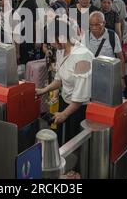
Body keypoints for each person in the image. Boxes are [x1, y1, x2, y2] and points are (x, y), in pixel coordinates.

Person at [36, 17, 93, 145]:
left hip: (79, 110)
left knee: (75, 144)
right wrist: (43, 90)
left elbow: (80, 97)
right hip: (65, 102)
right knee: (62, 140)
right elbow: (59, 79)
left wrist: (64, 114)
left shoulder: (82, 56)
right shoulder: (61, 51)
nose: (50, 45)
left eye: (51, 40)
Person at [85, 11, 125, 90]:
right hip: (91, 77)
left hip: (109, 76)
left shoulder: (112, 36)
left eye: (97, 24)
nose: (94, 27)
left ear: (104, 23)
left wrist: (122, 78)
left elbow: (120, 58)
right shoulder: (85, 36)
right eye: (91, 25)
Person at [11, 0, 38, 64]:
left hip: (28, 39)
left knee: (27, 65)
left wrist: (37, 39)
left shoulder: (30, 2)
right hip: (17, 39)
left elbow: (37, 22)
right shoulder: (13, 2)